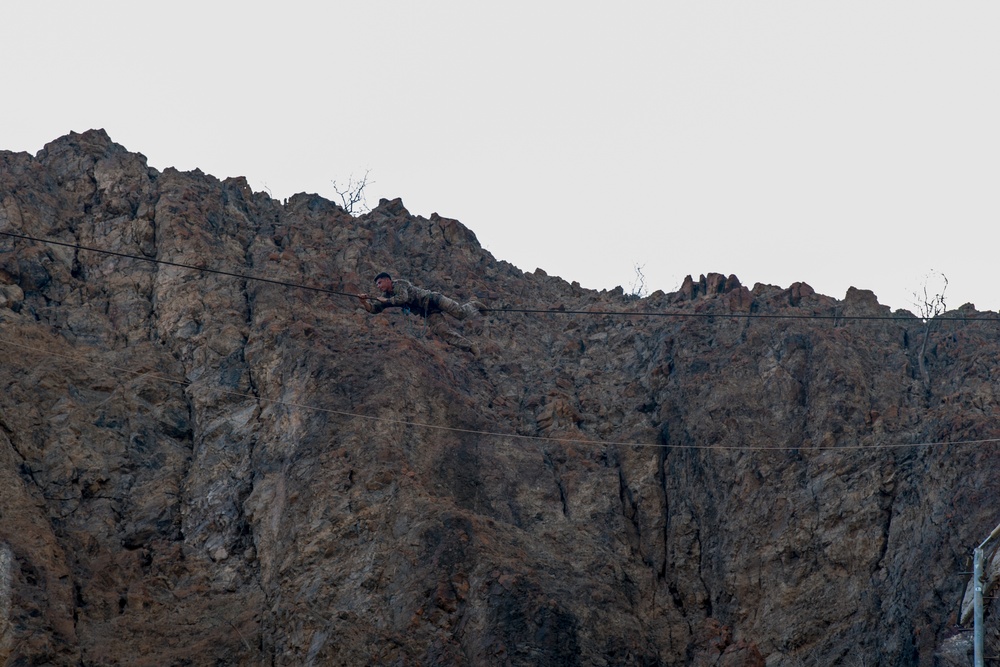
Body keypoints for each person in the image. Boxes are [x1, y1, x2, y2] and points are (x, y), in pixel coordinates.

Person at [358, 272, 486, 357]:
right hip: (427, 311)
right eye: (377, 285)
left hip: (433, 299)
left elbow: (403, 298)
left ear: (387, 280)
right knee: (442, 331)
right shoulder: (385, 296)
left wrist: (387, 301)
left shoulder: (399, 285)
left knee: (460, 313)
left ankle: (474, 305)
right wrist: (364, 302)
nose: (378, 286)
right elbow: (374, 309)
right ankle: (470, 346)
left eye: (380, 283)